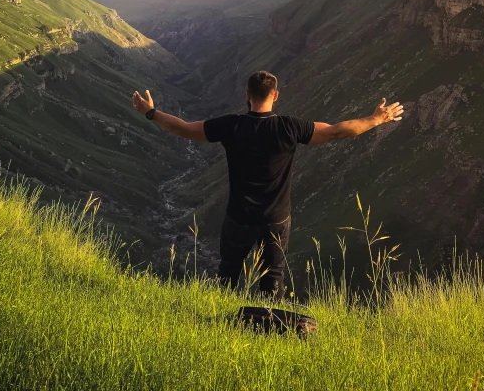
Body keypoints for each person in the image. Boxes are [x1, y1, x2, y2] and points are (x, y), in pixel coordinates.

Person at [132, 70, 403, 298]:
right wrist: (376, 119)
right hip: (276, 219)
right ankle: (269, 326)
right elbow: (336, 131)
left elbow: (184, 128)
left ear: (247, 95)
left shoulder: (231, 125)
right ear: (275, 95)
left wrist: (151, 112)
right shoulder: (290, 127)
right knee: (273, 279)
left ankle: (219, 322)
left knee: (228, 272)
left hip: (238, 217)